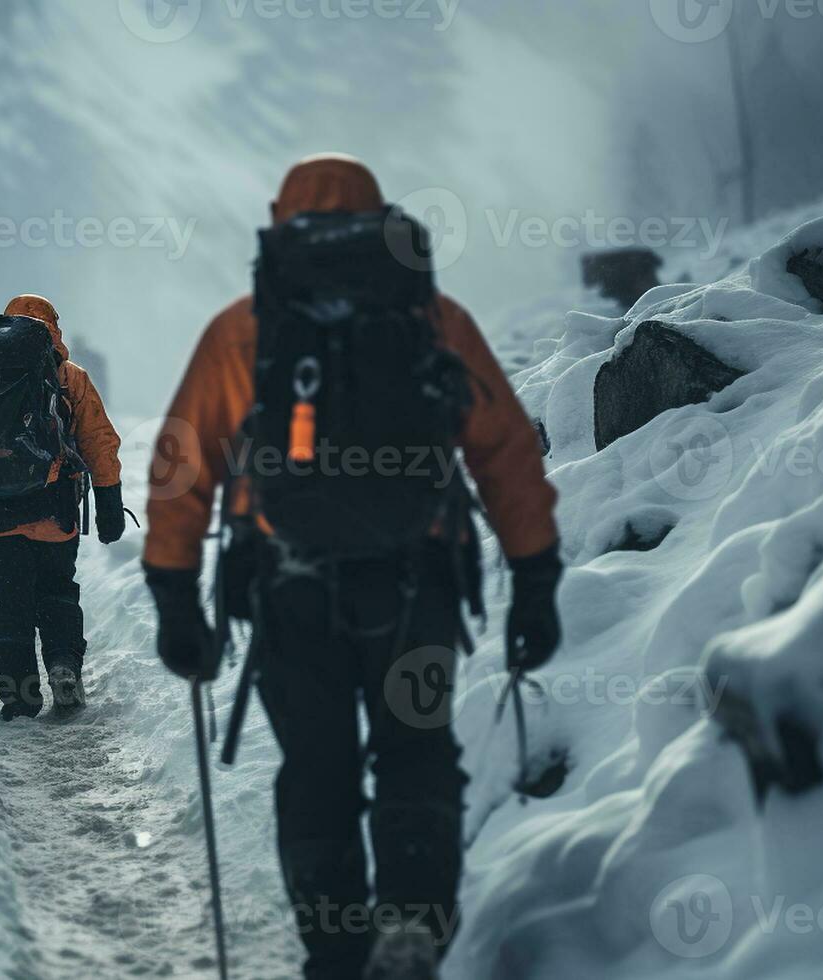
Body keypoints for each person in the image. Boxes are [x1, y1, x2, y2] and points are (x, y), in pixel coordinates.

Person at [142, 155, 563, 979]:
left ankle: (335, 952)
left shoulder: (244, 327)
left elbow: (183, 464)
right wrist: (535, 579)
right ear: (379, 216)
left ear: (281, 219)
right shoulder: (430, 314)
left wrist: (173, 595)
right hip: (417, 580)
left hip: (287, 588)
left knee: (317, 766)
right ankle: (411, 925)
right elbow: (505, 453)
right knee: (415, 748)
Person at [0, 295, 125, 719]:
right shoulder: (69, 376)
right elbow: (99, 441)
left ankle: (19, 695)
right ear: (53, 327)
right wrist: (109, 500)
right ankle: (63, 663)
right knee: (57, 593)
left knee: (7, 605)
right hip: (55, 509)